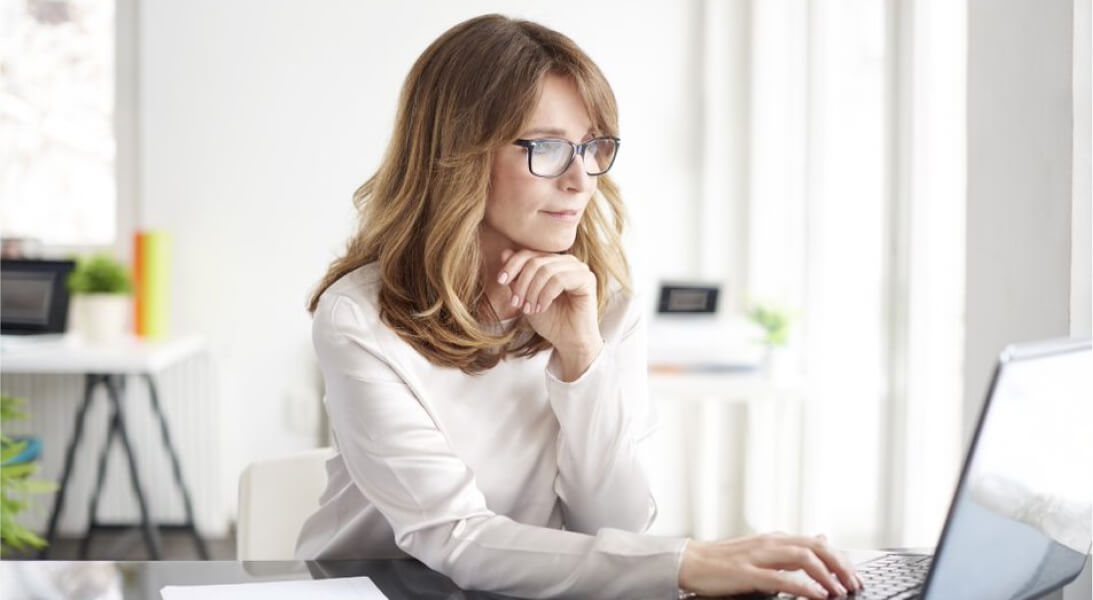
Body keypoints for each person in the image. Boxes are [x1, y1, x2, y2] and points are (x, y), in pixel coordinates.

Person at [296, 13, 863, 600]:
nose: (580, 179)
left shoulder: (604, 305)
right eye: (547, 147)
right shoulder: (360, 319)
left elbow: (614, 528)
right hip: (366, 589)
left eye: (592, 147)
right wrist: (687, 562)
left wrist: (583, 359)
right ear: (459, 155)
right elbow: (454, 537)